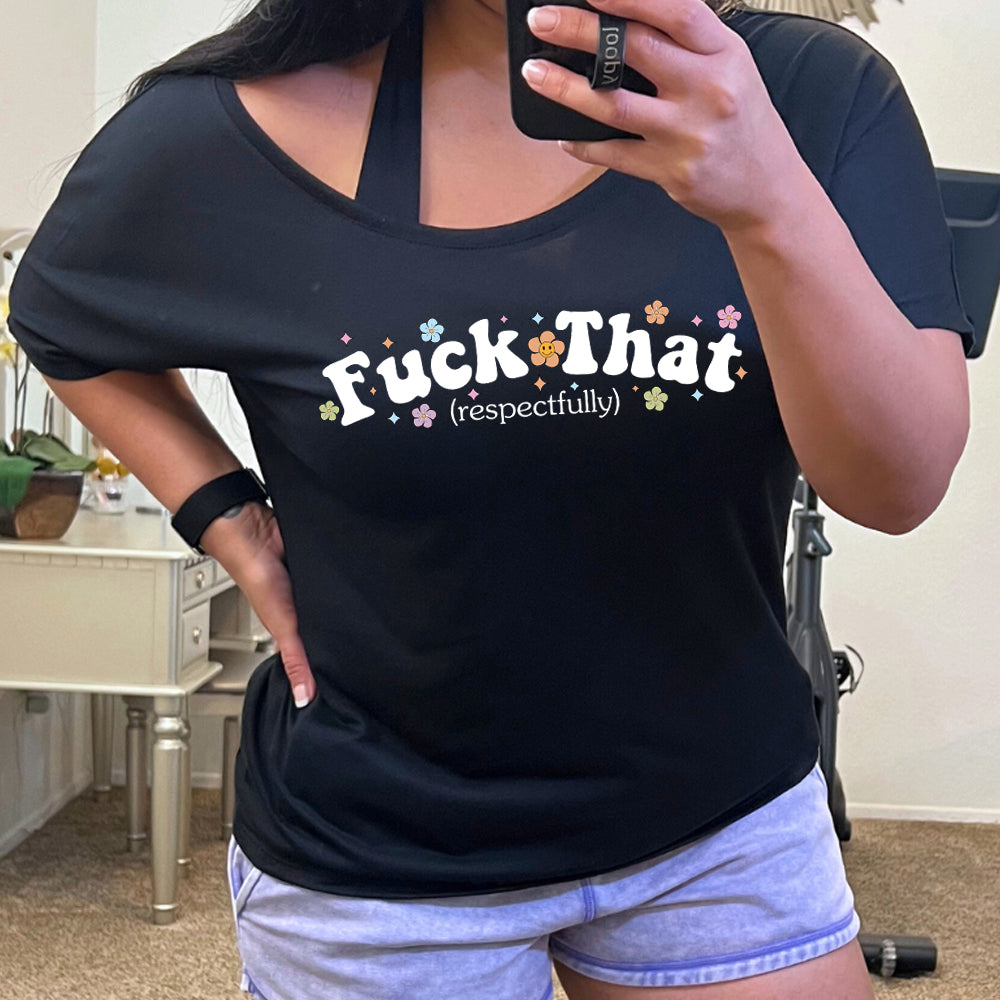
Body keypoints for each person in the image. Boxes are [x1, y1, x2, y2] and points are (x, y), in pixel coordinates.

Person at [7, 0, 972, 995]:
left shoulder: (809, 93)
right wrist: (227, 515)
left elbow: (896, 486)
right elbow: (59, 314)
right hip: (381, 857)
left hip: (721, 825)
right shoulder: (245, 120)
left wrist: (769, 198)